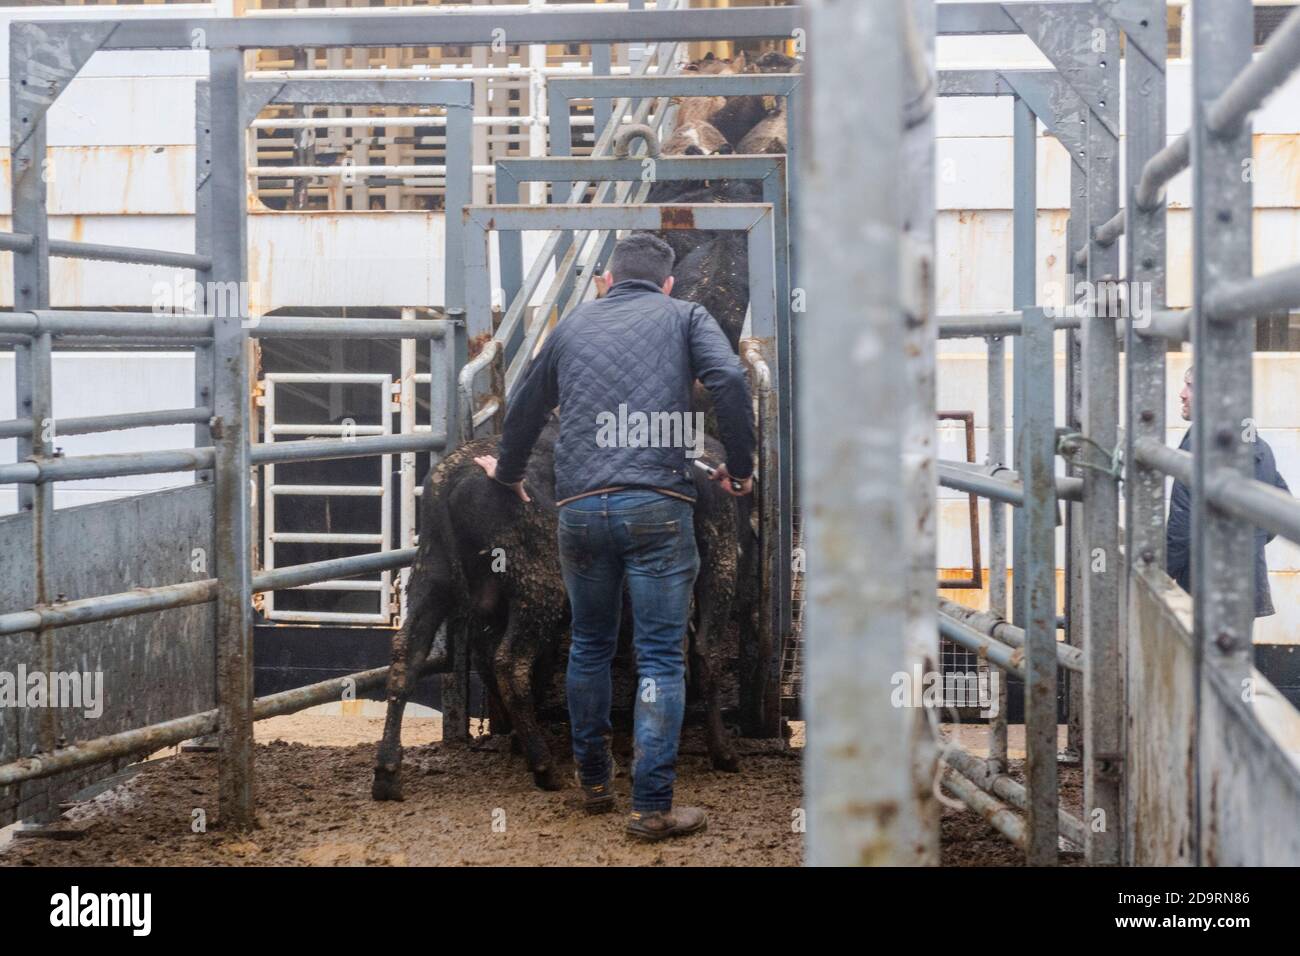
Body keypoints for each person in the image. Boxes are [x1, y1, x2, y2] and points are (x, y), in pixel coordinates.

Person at [472, 232, 755, 841]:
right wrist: (744, 465)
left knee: (590, 646)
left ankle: (595, 785)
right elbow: (730, 381)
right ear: (668, 282)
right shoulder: (687, 316)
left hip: (579, 509)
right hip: (657, 505)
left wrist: (511, 472)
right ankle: (651, 807)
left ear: (604, 278)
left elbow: (522, 406)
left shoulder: (573, 327)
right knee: (658, 655)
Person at [1166, 364, 1291, 631]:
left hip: (1204, 586)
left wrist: (1161, 576)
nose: (1182, 394)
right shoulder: (1259, 446)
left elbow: (1182, 525)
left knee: (1197, 667)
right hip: (1244, 587)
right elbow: (1278, 506)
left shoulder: (1198, 443)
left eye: (1190, 386)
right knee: (1230, 666)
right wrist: (1249, 545)